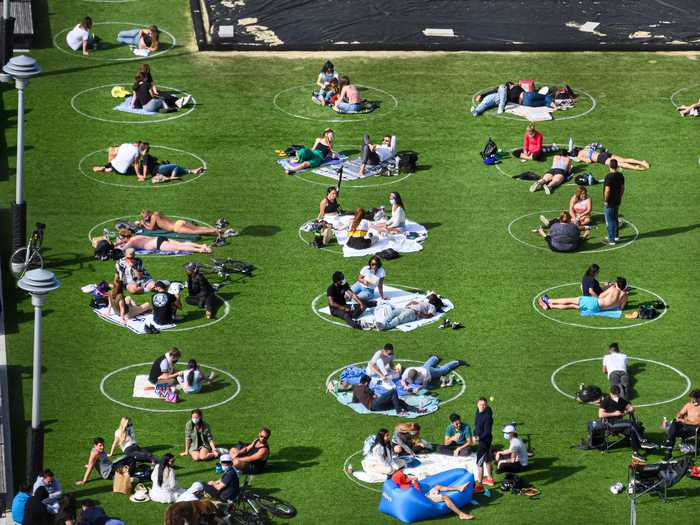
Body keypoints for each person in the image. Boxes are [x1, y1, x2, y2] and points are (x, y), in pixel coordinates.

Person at [598, 385, 654, 462]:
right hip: (611, 424)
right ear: (610, 393)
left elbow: (631, 408)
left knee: (632, 431)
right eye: (615, 394)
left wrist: (626, 412)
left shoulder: (621, 400)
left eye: (617, 394)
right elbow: (601, 414)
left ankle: (635, 453)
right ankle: (642, 441)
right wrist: (614, 414)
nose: (616, 396)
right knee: (631, 423)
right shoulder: (606, 401)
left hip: (621, 424)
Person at [391, 470, 473, 521]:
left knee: (437, 486)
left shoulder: (405, 484)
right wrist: (415, 482)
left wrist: (413, 481)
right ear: (402, 480)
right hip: (424, 499)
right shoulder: (407, 487)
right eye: (405, 476)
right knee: (445, 497)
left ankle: (459, 488)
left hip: (424, 495)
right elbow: (418, 494)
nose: (406, 475)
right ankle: (461, 514)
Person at [538, 277, 630, 314]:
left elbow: (601, 296)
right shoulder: (625, 295)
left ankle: (548, 301)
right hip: (599, 309)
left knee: (571, 300)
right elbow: (621, 308)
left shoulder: (612, 289)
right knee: (573, 306)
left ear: (617, 284)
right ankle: (549, 306)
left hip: (595, 303)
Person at [352, 375, 417, 417]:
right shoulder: (366, 388)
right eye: (368, 383)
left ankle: (415, 409)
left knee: (397, 401)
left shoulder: (355, 388)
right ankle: (399, 412)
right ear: (366, 383)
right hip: (374, 404)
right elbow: (375, 396)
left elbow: (354, 400)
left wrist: (362, 399)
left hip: (373, 407)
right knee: (393, 391)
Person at [374, 293, 445, 331]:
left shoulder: (432, 307)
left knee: (399, 318)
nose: (429, 297)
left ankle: (385, 327)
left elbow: (429, 315)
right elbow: (416, 302)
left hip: (413, 313)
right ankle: (383, 323)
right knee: (393, 313)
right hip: (407, 308)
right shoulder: (425, 302)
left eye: (431, 297)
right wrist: (411, 303)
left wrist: (420, 314)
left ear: (434, 301)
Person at [138, 210, 235, 238]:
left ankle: (221, 230)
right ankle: (222, 231)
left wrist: (143, 224)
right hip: (179, 222)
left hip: (176, 228)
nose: (145, 218)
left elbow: (151, 228)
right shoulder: (157, 213)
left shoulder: (153, 217)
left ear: (148, 214)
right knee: (199, 228)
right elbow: (160, 222)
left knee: (197, 231)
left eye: (145, 217)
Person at [663, 389, 700, 460]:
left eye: (694, 399)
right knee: (674, 424)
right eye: (692, 399)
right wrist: (679, 416)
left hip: (695, 429)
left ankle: (668, 444)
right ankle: (668, 453)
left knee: (672, 431)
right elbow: (680, 413)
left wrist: (684, 421)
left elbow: (698, 422)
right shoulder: (688, 405)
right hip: (685, 427)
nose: (693, 401)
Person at [401, 355, 466, 392]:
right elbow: (402, 380)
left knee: (442, 371)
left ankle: (457, 362)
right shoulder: (407, 372)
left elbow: (425, 385)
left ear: (417, 375)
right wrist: (405, 386)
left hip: (430, 372)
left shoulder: (424, 376)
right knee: (426, 365)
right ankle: (435, 357)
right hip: (423, 368)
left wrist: (419, 388)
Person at [116, 230, 213, 254]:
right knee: (181, 244)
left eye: (122, 238)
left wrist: (117, 244)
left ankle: (201, 250)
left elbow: (122, 250)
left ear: (125, 237)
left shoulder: (131, 242)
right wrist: (121, 242)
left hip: (157, 244)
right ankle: (201, 246)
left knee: (180, 248)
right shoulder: (136, 236)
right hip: (159, 238)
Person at [473, 397, 495, 492]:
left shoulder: (487, 417)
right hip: (484, 441)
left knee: (479, 463)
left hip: (484, 442)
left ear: (486, 406)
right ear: (477, 404)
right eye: (480, 404)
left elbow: (487, 432)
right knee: (488, 459)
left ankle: (479, 486)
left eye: (484, 405)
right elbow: (476, 425)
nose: (482, 406)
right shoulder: (477, 412)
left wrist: (478, 438)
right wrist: (474, 434)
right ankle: (490, 479)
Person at [576, 144, 649, 171]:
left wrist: (581, 160)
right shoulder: (586, 147)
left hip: (600, 158)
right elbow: (597, 145)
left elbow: (589, 161)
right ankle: (642, 162)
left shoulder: (579, 156)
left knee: (620, 164)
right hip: (604, 154)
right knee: (624, 159)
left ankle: (636, 168)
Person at [603, 159, 625, 245]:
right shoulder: (621, 175)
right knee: (615, 218)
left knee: (610, 219)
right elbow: (622, 188)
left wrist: (606, 200)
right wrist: (620, 196)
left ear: (609, 166)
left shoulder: (609, 176)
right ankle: (616, 235)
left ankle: (611, 239)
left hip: (610, 201)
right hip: (617, 199)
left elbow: (607, 190)